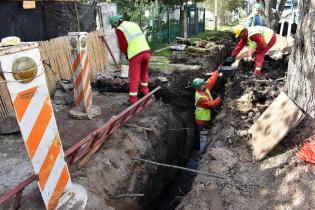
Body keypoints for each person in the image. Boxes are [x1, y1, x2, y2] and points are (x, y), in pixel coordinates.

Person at [109, 15, 151, 105]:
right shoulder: (133, 24)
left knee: (134, 77)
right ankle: (145, 91)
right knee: (144, 73)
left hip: (136, 54)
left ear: (116, 23)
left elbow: (123, 45)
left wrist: (127, 54)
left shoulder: (120, 29)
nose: (115, 28)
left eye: (114, 26)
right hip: (146, 51)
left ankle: (133, 99)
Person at [192, 71, 222, 151]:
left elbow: (211, 81)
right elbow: (211, 104)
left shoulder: (205, 88)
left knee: (205, 132)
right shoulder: (200, 98)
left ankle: (204, 148)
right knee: (200, 135)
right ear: (199, 87)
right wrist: (218, 99)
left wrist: (216, 72)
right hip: (201, 119)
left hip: (206, 117)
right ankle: (200, 150)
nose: (205, 84)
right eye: (203, 84)